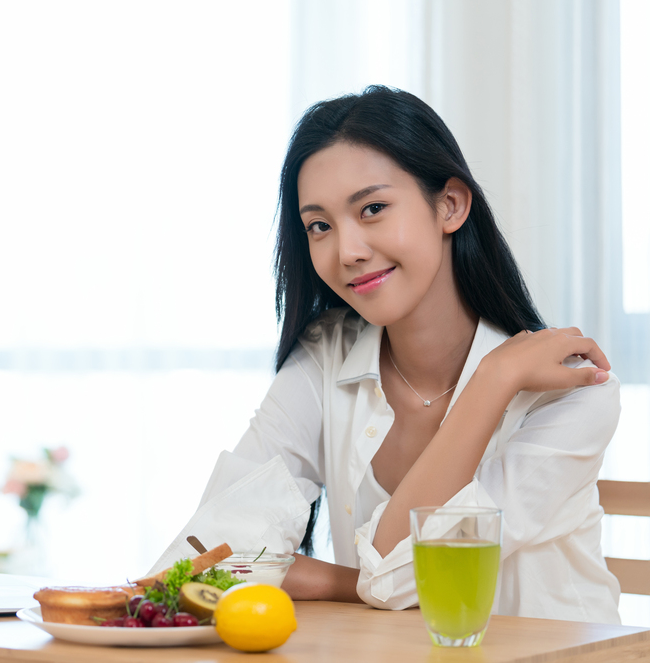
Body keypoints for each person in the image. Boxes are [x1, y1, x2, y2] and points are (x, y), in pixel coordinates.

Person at [151, 85, 620, 623]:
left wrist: (492, 382)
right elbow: (202, 561)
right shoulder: (327, 355)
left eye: (372, 209)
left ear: (450, 205)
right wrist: (358, 583)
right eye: (319, 226)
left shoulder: (574, 394)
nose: (347, 250)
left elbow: (397, 579)